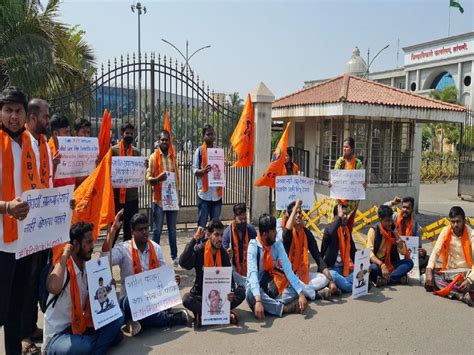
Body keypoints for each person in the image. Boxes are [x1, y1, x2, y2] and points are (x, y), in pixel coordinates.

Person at [101, 212, 188, 336]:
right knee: (129, 305)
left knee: (154, 306)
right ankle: (168, 319)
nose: (144, 232)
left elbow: (164, 276)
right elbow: (104, 258)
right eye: (140, 229)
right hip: (131, 301)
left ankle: (137, 320)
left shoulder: (156, 248)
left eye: (146, 228)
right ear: (132, 231)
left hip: (154, 298)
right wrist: (113, 229)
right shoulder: (124, 249)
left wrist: (172, 281)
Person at [43, 222, 123, 354]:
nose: (92, 246)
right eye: (88, 242)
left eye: (93, 242)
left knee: (118, 318)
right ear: (75, 244)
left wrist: (109, 288)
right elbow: (53, 287)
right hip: (59, 335)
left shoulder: (89, 268)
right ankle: (96, 345)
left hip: (81, 325)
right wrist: (64, 255)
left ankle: (94, 347)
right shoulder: (63, 268)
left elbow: (104, 257)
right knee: (83, 346)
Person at [0, 87, 38, 355]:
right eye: (8, 110)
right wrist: (6, 207)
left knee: (15, 310)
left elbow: (37, 187)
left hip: (25, 241)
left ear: (26, 114)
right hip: (1, 243)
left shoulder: (31, 144)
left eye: (18, 111)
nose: (14, 116)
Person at [21, 98, 54, 353]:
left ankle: (32, 326)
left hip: (44, 223)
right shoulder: (21, 143)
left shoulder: (43, 144)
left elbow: (48, 182)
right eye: (44, 116)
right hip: (26, 224)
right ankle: (23, 333)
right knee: (26, 279)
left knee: (38, 275)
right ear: (32, 119)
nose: (48, 120)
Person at [179, 219, 245, 329]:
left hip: (220, 297)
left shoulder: (223, 253)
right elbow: (183, 262)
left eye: (221, 235)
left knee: (241, 292)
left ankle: (203, 314)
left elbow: (229, 278)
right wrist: (194, 240)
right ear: (208, 235)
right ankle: (222, 314)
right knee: (186, 299)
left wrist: (231, 292)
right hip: (201, 295)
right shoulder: (200, 250)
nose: (220, 238)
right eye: (216, 235)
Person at [246, 214, 308, 319]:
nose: (276, 233)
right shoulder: (253, 246)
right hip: (257, 287)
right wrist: (258, 300)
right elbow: (252, 275)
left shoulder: (277, 244)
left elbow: (288, 269)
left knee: (295, 289)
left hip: (273, 283)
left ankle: (267, 306)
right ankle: (283, 309)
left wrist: (301, 294)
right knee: (250, 294)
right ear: (265, 234)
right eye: (273, 231)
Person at [283, 200, 337, 299]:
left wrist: (331, 280)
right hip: (289, 275)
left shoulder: (307, 234)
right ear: (291, 216)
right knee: (292, 282)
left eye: (300, 213)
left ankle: (303, 291)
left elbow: (318, 257)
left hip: (303, 273)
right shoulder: (287, 234)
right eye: (296, 213)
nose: (298, 215)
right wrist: (296, 207)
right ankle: (316, 294)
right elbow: (287, 231)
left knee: (323, 278)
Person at [425, 206, 474, 307]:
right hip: (450, 273)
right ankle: (459, 294)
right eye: (452, 222)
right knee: (426, 277)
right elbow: (435, 252)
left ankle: (454, 290)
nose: (455, 225)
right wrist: (429, 270)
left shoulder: (471, 234)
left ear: (464, 221)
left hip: (467, 273)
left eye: (458, 221)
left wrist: (469, 280)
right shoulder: (445, 231)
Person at [147, 130, 180, 265]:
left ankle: (174, 256)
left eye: (166, 140)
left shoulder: (173, 157)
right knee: (157, 231)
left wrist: (179, 196)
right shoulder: (153, 157)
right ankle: (154, 257)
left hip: (172, 200)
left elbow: (176, 178)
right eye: (162, 140)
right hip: (159, 200)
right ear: (158, 141)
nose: (164, 142)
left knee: (172, 230)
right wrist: (157, 179)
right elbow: (148, 178)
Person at [367, 205, 414, 287]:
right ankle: (396, 278)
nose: (390, 223)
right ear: (380, 220)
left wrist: (396, 234)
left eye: (391, 220)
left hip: (391, 263)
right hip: (378, 264)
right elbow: (369, 254)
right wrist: (381, 264)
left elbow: (403, 252)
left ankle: (386, 280)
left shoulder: (392, 230)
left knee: (409, 262)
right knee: (373, 268)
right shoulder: (373, 230)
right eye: (387, 221)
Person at [327, 137, 365, 233]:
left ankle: (346, 246)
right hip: (338, 200)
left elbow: (360, 181)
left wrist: (363, 185)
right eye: (343, 147)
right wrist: (330, 182)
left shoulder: (358, 164)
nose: (344, 149)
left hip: (351, 202)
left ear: (351, 149)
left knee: (347, 229)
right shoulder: (340, 162)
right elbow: (334, 178)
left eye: (346, 147)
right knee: (335, 226)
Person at [111, 123, 141, 243]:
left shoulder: (136, 152)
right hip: (117, 198)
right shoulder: (114, 150)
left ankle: (128, 258)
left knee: (130, 232)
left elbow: (140, 172)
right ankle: (108, 256)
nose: (129, 135)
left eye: (131, 134)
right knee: (115, 229)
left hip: (132, 198)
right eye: (127, 133)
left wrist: (144, 166)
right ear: (122, 134)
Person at [384, 196, 429, 273]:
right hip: (394, 251)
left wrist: (422, 251)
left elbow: (418, 246)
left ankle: (404, 268)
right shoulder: (394, 217)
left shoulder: (416, 226)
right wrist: (393, 203)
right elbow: (382, 209)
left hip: (408, 253)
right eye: (403, 207)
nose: (405, 210)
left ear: (412, 210)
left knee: (426, 258)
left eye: (408, 208)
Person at [321, 204, 357, 293]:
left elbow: (353, 252)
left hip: (345, 268)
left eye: (346, 214)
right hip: (332, 268)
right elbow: (330, 232)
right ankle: (354, 287)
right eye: (342, 214)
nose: (345, 217)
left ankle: (341, 286)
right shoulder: (330, 229)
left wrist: (362, 266)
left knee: (363, 272)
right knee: (333, 275)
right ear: (336, 217)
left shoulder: (347, 231)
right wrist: (339, 219)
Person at [192, 125, 223, 227]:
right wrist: (203, 171)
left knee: (215, 225)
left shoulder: (218, 151)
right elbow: (194, 169)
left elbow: (222, 169)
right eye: (208, 134)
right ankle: (201, 242)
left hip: (216, 194)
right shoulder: (199, 151)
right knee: (202, 224)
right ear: (203, 136)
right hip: (204, 194)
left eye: (212, 134)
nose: (210, 136)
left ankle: (213, 243)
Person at [222, 203, 257, 287]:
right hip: (234, 264)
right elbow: (223, 255)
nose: (243, 221)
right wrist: (227, 254)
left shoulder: (251, 230)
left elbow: (257, 248)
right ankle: (247, 284)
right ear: (234, 218)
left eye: (245, 219)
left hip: (249, 263)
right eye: (240, 219)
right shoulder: (227, 233)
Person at [48, 112, 75, 188]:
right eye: (66, 132)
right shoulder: (45, 153)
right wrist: (53, 166)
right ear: (55, 134)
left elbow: (77, 178)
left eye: (69, 132)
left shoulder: (71, 151)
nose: (69, 136)